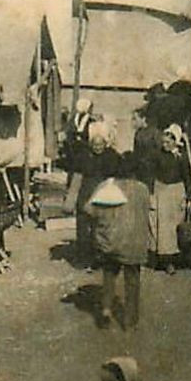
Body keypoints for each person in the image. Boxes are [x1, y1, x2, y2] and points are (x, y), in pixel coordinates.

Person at [85, 175, 152, 331]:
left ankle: (106, 309)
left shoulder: (107, 185)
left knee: (109, 275)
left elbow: (89, 210)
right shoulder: (142, 188)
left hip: (112, 241)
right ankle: (130, 321)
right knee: (132, 281)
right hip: (134, 242)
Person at [70, 118, 121, 267]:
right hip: (86, 191)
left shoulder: (111, 156)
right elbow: (76, 175)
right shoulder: (84, 155)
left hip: (103, 193)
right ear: (90, 144)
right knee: (83, 226)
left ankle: (101, 257)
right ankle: (83, 257)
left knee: (101, 227)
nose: (98, 147)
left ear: (105, 144)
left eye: (100, 145)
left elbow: (115, 175)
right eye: (95, 145)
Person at [148, 127, 191, 273]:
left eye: (169, 142)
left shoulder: (181, 157)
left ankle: (170, 261)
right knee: (158, 227)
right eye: (164, 142)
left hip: (175, 192)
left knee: (172, 229)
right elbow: (151, 174)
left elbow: (188, 177)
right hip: (160, 190)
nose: (165, 145)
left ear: (176, 141)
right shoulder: (157, 155)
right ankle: (158, 258)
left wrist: (189, 198)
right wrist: (151, 193)